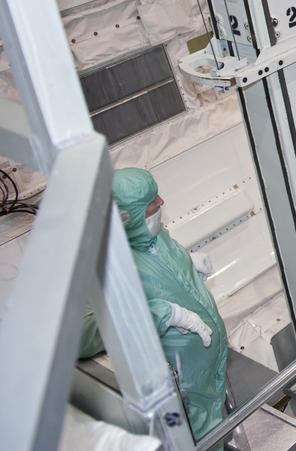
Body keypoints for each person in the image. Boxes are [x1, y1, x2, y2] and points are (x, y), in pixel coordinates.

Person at [79, 168, 228, 441]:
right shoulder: (104, 265)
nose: (161, 202)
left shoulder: (153, 235)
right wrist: (162, 314)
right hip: (180, 395)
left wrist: (187, 261)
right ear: (126, 216)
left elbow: (162, 270)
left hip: (208, 373)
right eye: (151, 201)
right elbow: (81, 336)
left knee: (217, 428)